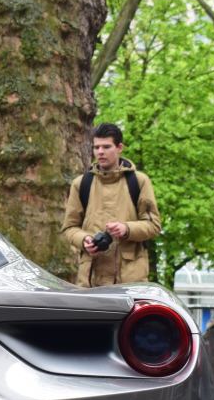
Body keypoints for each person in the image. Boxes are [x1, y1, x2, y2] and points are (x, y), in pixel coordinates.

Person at [61, 123, 161, 287]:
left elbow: (154, 225)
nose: (100, 152)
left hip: (130, 282)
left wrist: (126, 229)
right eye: (96, 147)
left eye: (106, 147)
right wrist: (84, 239)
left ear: (119, 147)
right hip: (90, 282)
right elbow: (69, 228)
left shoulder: (139, 181)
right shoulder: (81, 184)